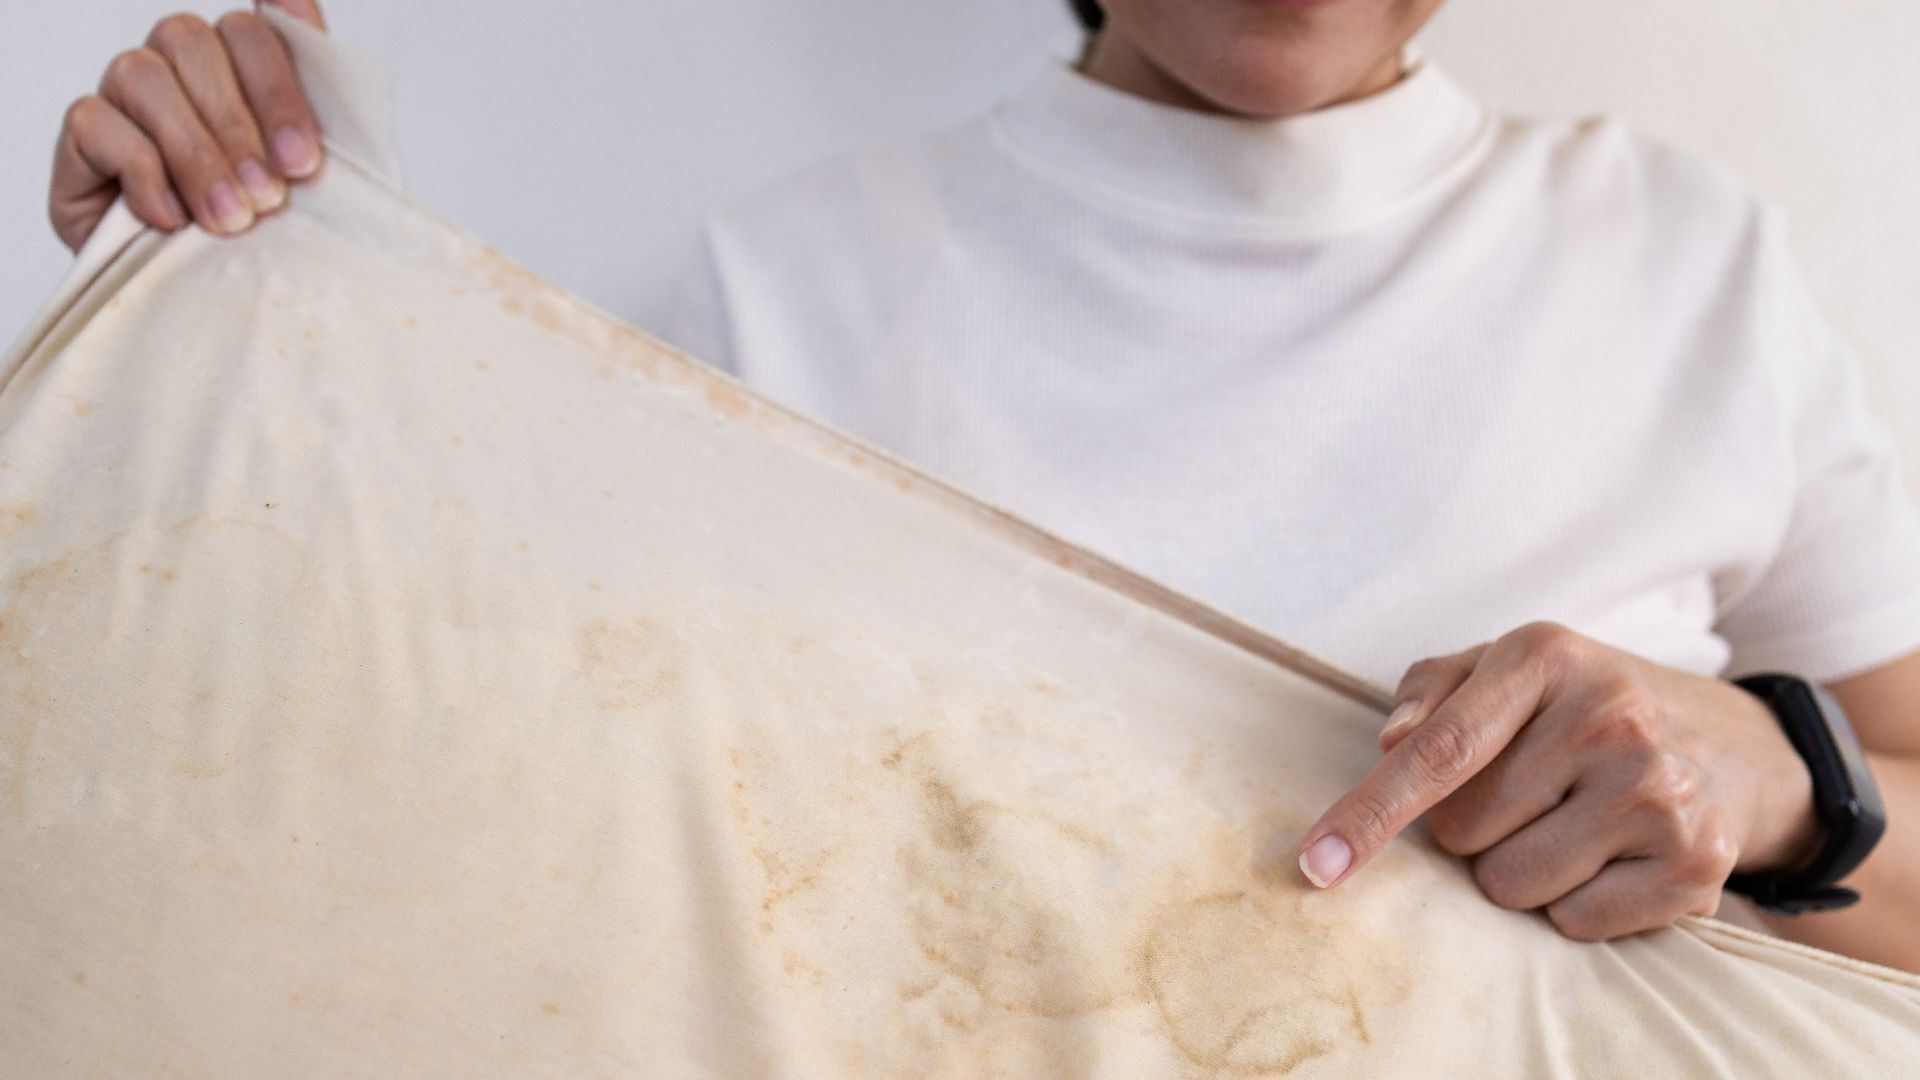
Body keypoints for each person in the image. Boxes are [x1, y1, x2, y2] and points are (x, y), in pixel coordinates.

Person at [47, 0, 1920, 974]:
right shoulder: (786, 297)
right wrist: (247, 274)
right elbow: (418, 826)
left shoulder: (1689, 264)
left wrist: (1782, 779)